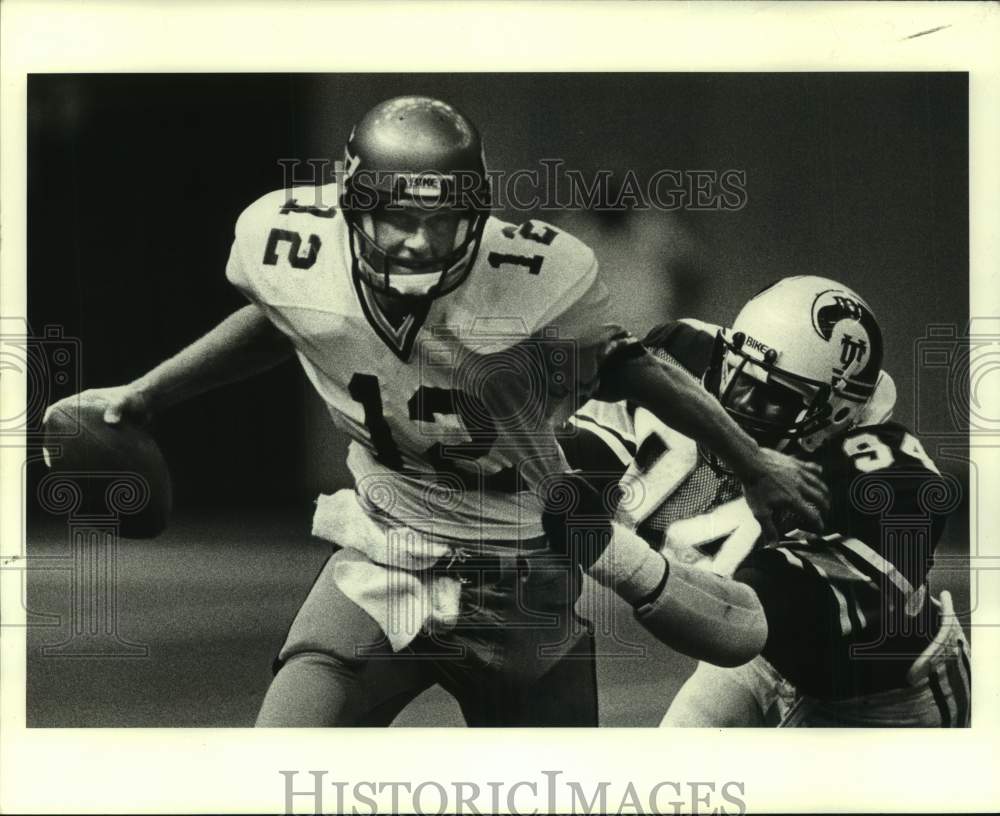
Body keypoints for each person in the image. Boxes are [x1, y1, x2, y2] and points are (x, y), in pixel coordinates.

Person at [46, 96, 827, 727]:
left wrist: (754, 465)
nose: (417, 243)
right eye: (396, 219)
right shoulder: (292, 249)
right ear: (354, 210)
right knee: (279, 765)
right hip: (386, 555)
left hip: (523, 575)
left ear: (477, 216)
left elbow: (632, 365)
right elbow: (288, 317)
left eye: (441, 220)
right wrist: (145, 393)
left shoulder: (537, 275)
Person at [561, 275, 970, 727]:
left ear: (832, 414)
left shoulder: (885, 487)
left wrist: (601, 544)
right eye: (736, 375)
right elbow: (580, 457)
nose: (737, 402)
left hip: (886, 699)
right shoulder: (681, 355)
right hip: (759, 666)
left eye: (772, 399)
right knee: (672, 780)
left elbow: (740, 625)